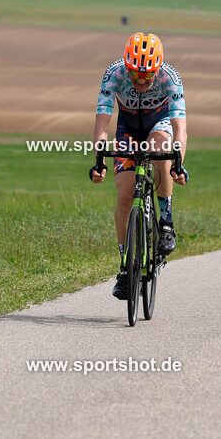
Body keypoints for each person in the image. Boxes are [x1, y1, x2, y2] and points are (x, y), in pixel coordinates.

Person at [90, 32, 188, 300]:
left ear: (158, 68)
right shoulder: (114, 74)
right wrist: (98, 160)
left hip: (160, 124)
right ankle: (125, 267)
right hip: (128, 129)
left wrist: (179, 163)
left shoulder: (170, 77)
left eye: (147, 74)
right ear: (127, 67)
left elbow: (180, 130)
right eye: (135, 74)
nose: (141, 80)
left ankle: (166, 222)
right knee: (124, 196)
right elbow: (102, 126)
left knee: (161, 152)